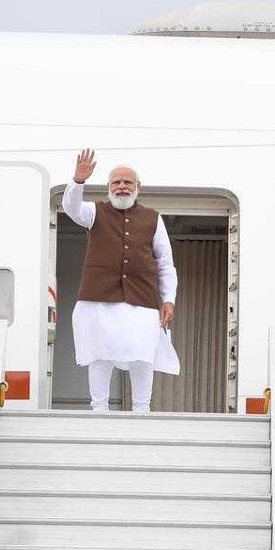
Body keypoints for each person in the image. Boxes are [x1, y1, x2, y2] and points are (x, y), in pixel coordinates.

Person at [62, 148, 179, 412]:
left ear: (139, 187)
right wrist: (78, 180)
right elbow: (71, 208)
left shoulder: (153, 218)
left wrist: (169, 299)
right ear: (108, 187)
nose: (122, 186)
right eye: (116, 182)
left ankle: (141, 412)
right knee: (99, 355)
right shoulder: (94, 212)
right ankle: (99, 412)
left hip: (142, 300)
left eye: (128, 182)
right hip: (99, 300)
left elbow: (165, 263)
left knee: (142, 356)